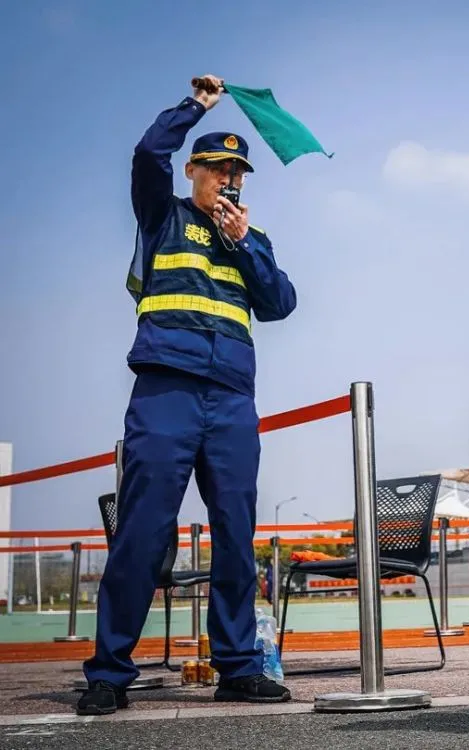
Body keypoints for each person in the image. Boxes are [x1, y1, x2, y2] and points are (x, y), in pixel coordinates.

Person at [78, 75, 297, 715]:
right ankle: (109, 673)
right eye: (217, 168)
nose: (229, 179)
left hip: (230, 400)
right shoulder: (162, 214)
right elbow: (148, 153)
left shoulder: (251, 240)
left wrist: (244, 243)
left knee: (236, 535)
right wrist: (195, 107)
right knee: (142, 533)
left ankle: (237, 667)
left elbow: (281, 304)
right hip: (165, 391)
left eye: (238, 171)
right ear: (194, 171)